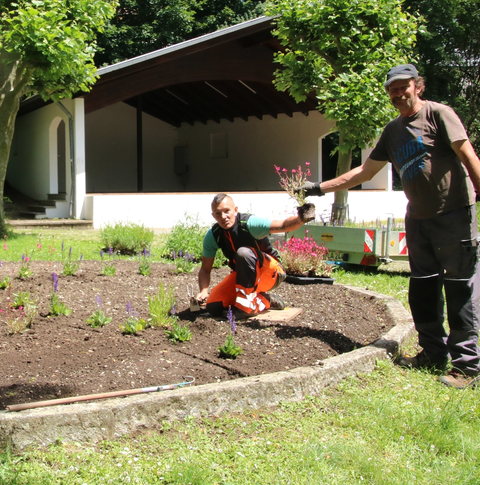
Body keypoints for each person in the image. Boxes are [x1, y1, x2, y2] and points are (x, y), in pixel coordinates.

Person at [300, 63, 480, 389]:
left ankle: (466, 365)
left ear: (417, 86)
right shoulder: (392, 131)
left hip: (453, 214)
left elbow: (467, 155)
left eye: (403, 87)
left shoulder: (439, 114)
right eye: (392, 90)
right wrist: (317, 188)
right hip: (418, 219)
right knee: (423, 287)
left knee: (459, 287)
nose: (398, 94)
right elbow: (364, 173)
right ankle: (432, 352)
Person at [195, 193, 315, 318]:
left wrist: (300, 219)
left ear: (235, 210)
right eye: (218, 213)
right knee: (214, 306)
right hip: (245, 276)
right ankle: (265, 299)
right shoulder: (214, 235)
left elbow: (283, 225)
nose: (223, 217)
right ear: (213, 215)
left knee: (243, 253)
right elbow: (205, 269)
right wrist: (204, 291)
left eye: (227, 211)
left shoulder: (249, 224)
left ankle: (246, 307)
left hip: (271, 272)